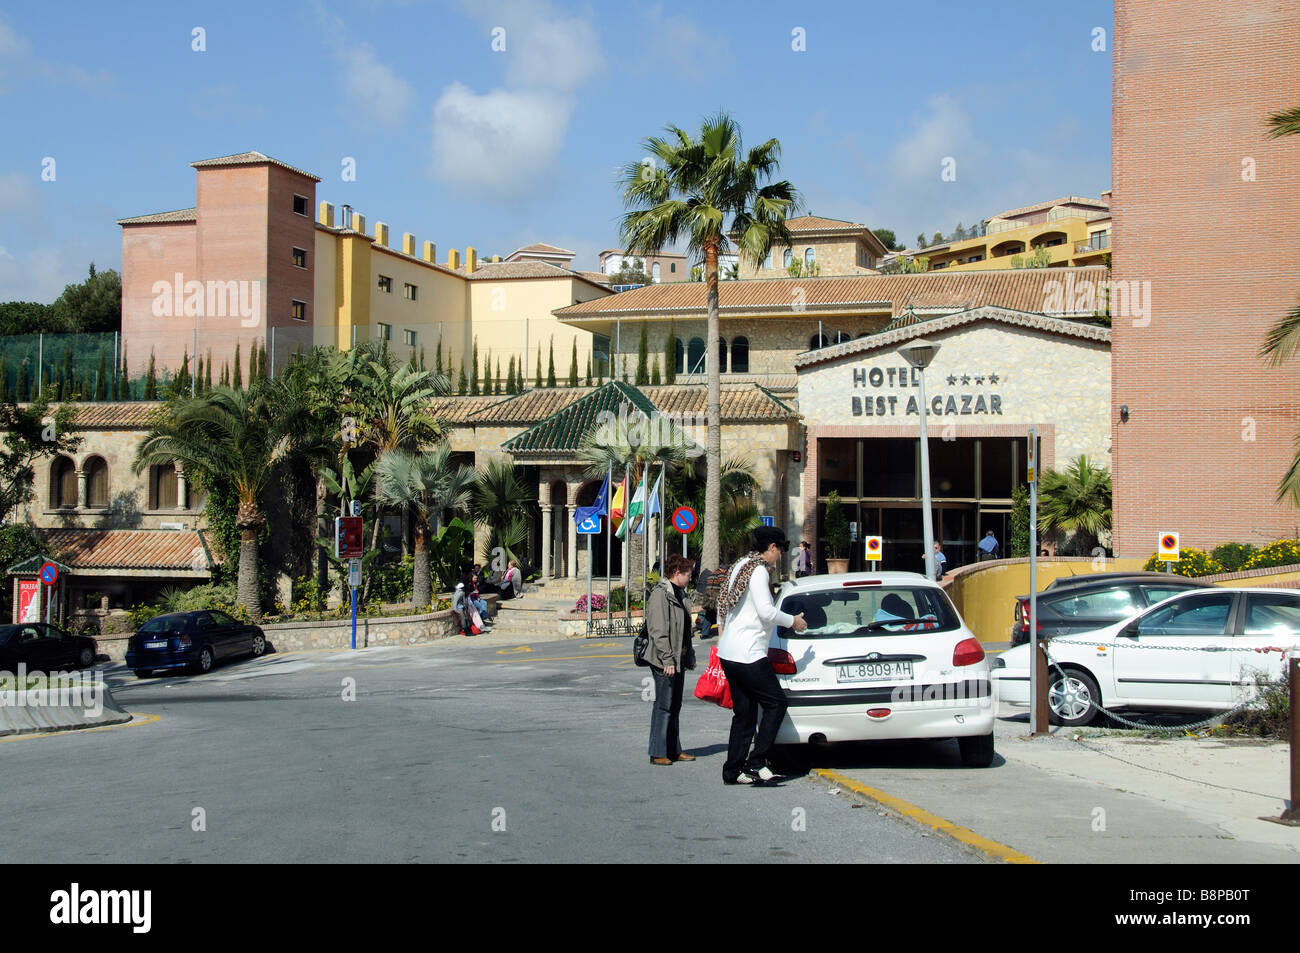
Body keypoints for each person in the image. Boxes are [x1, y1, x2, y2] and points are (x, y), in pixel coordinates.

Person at [715, 526, 808, 785]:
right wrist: (794, 622)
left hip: (730, 652)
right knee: (776, 703)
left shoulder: (740, 564)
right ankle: (756, 762)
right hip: (748, 653)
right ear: (771, 548)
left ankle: (733, 771)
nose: (779, 557)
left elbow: (723, 601)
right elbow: (767, 612)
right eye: (779, 551)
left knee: (744, 714)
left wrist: (722, 633)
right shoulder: (757, 571)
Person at [644, 553, 696, 765]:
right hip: (664, 661)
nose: (690, 578)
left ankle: (674, 749)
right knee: (664, 706)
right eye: (688, 574)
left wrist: (689, 656)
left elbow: (684, 630)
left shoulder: (681, 594)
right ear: (677, 573)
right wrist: (667, 660)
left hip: (679, 659)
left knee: (675, 706)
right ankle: (658, 751)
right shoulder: (660, 595)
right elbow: (657, 630)